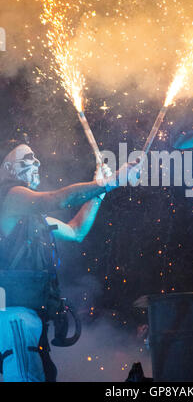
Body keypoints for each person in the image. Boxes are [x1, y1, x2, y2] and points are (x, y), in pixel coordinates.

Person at [0, 143, 138, 382]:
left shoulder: (35, 218)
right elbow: (57, 199)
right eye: (29, 158)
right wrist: (109, 181)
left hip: (31, 317)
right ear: (8, 168)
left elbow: (76, 231)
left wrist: (99, 193)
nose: (37, 162)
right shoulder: (10, 196)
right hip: (14, 316)